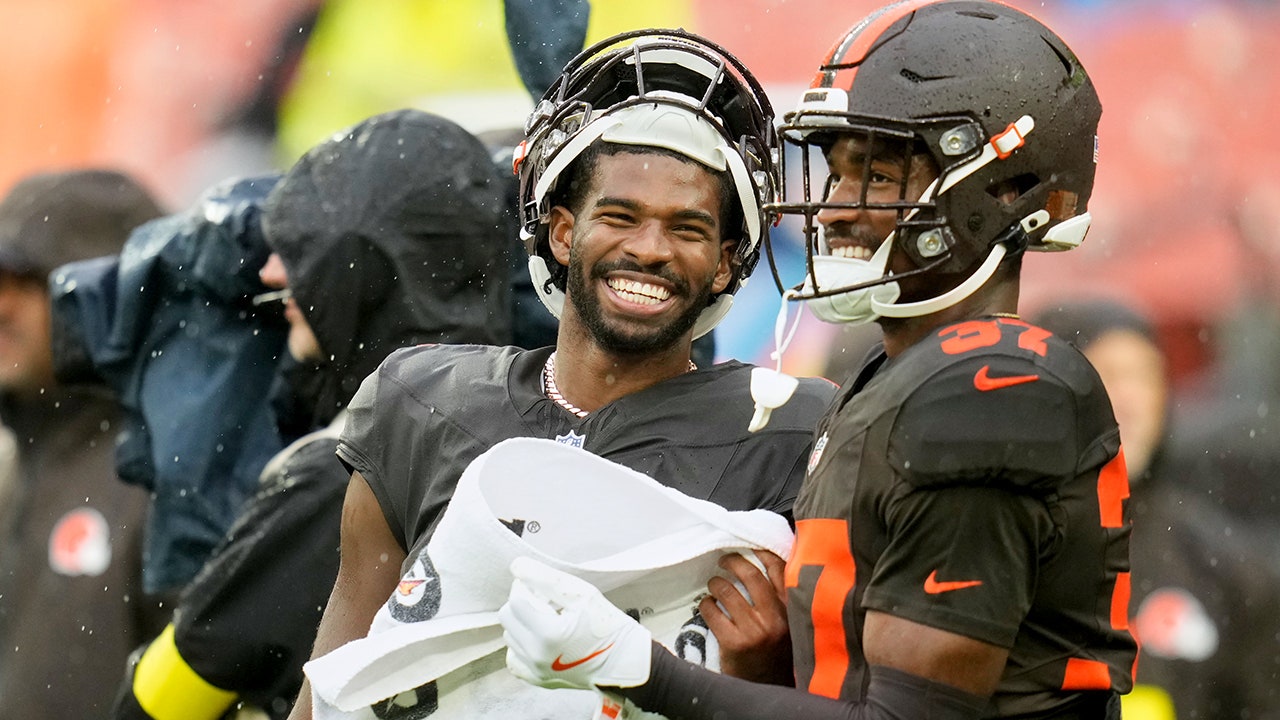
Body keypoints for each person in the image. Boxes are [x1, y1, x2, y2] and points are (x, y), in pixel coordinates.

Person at [498, 2, 1138, 718]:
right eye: (836, 175)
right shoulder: (896, 376)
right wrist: (765, 670)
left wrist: (640, 669)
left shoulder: (989, 388)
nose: (833, 210)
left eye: (877, 176)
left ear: (1003, 191)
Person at [288, 29, 836, 720]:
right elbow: (335, 690)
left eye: (688, 229)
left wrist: (762, 673)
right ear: (562, 232)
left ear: (727, 263)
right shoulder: (421, 404)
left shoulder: (792, 436)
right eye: (620, 216)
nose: (650, 249)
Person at [110, 108, 513, 720]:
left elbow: (158, 705)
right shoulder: (531, 430)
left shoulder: (342, 475)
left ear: (371, 273)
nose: (270, 272)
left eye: (304, 249)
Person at [1033, 300, 1280, 720]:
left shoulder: (1224, 568)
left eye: (1145, 375)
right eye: (1108, 374)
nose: (1129, 398)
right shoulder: (997, 548)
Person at [0, 169, 169, 717]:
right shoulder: (15, 464)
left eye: (30, 282)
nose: (2, 306)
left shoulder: (170, 476)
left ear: (116, 295)